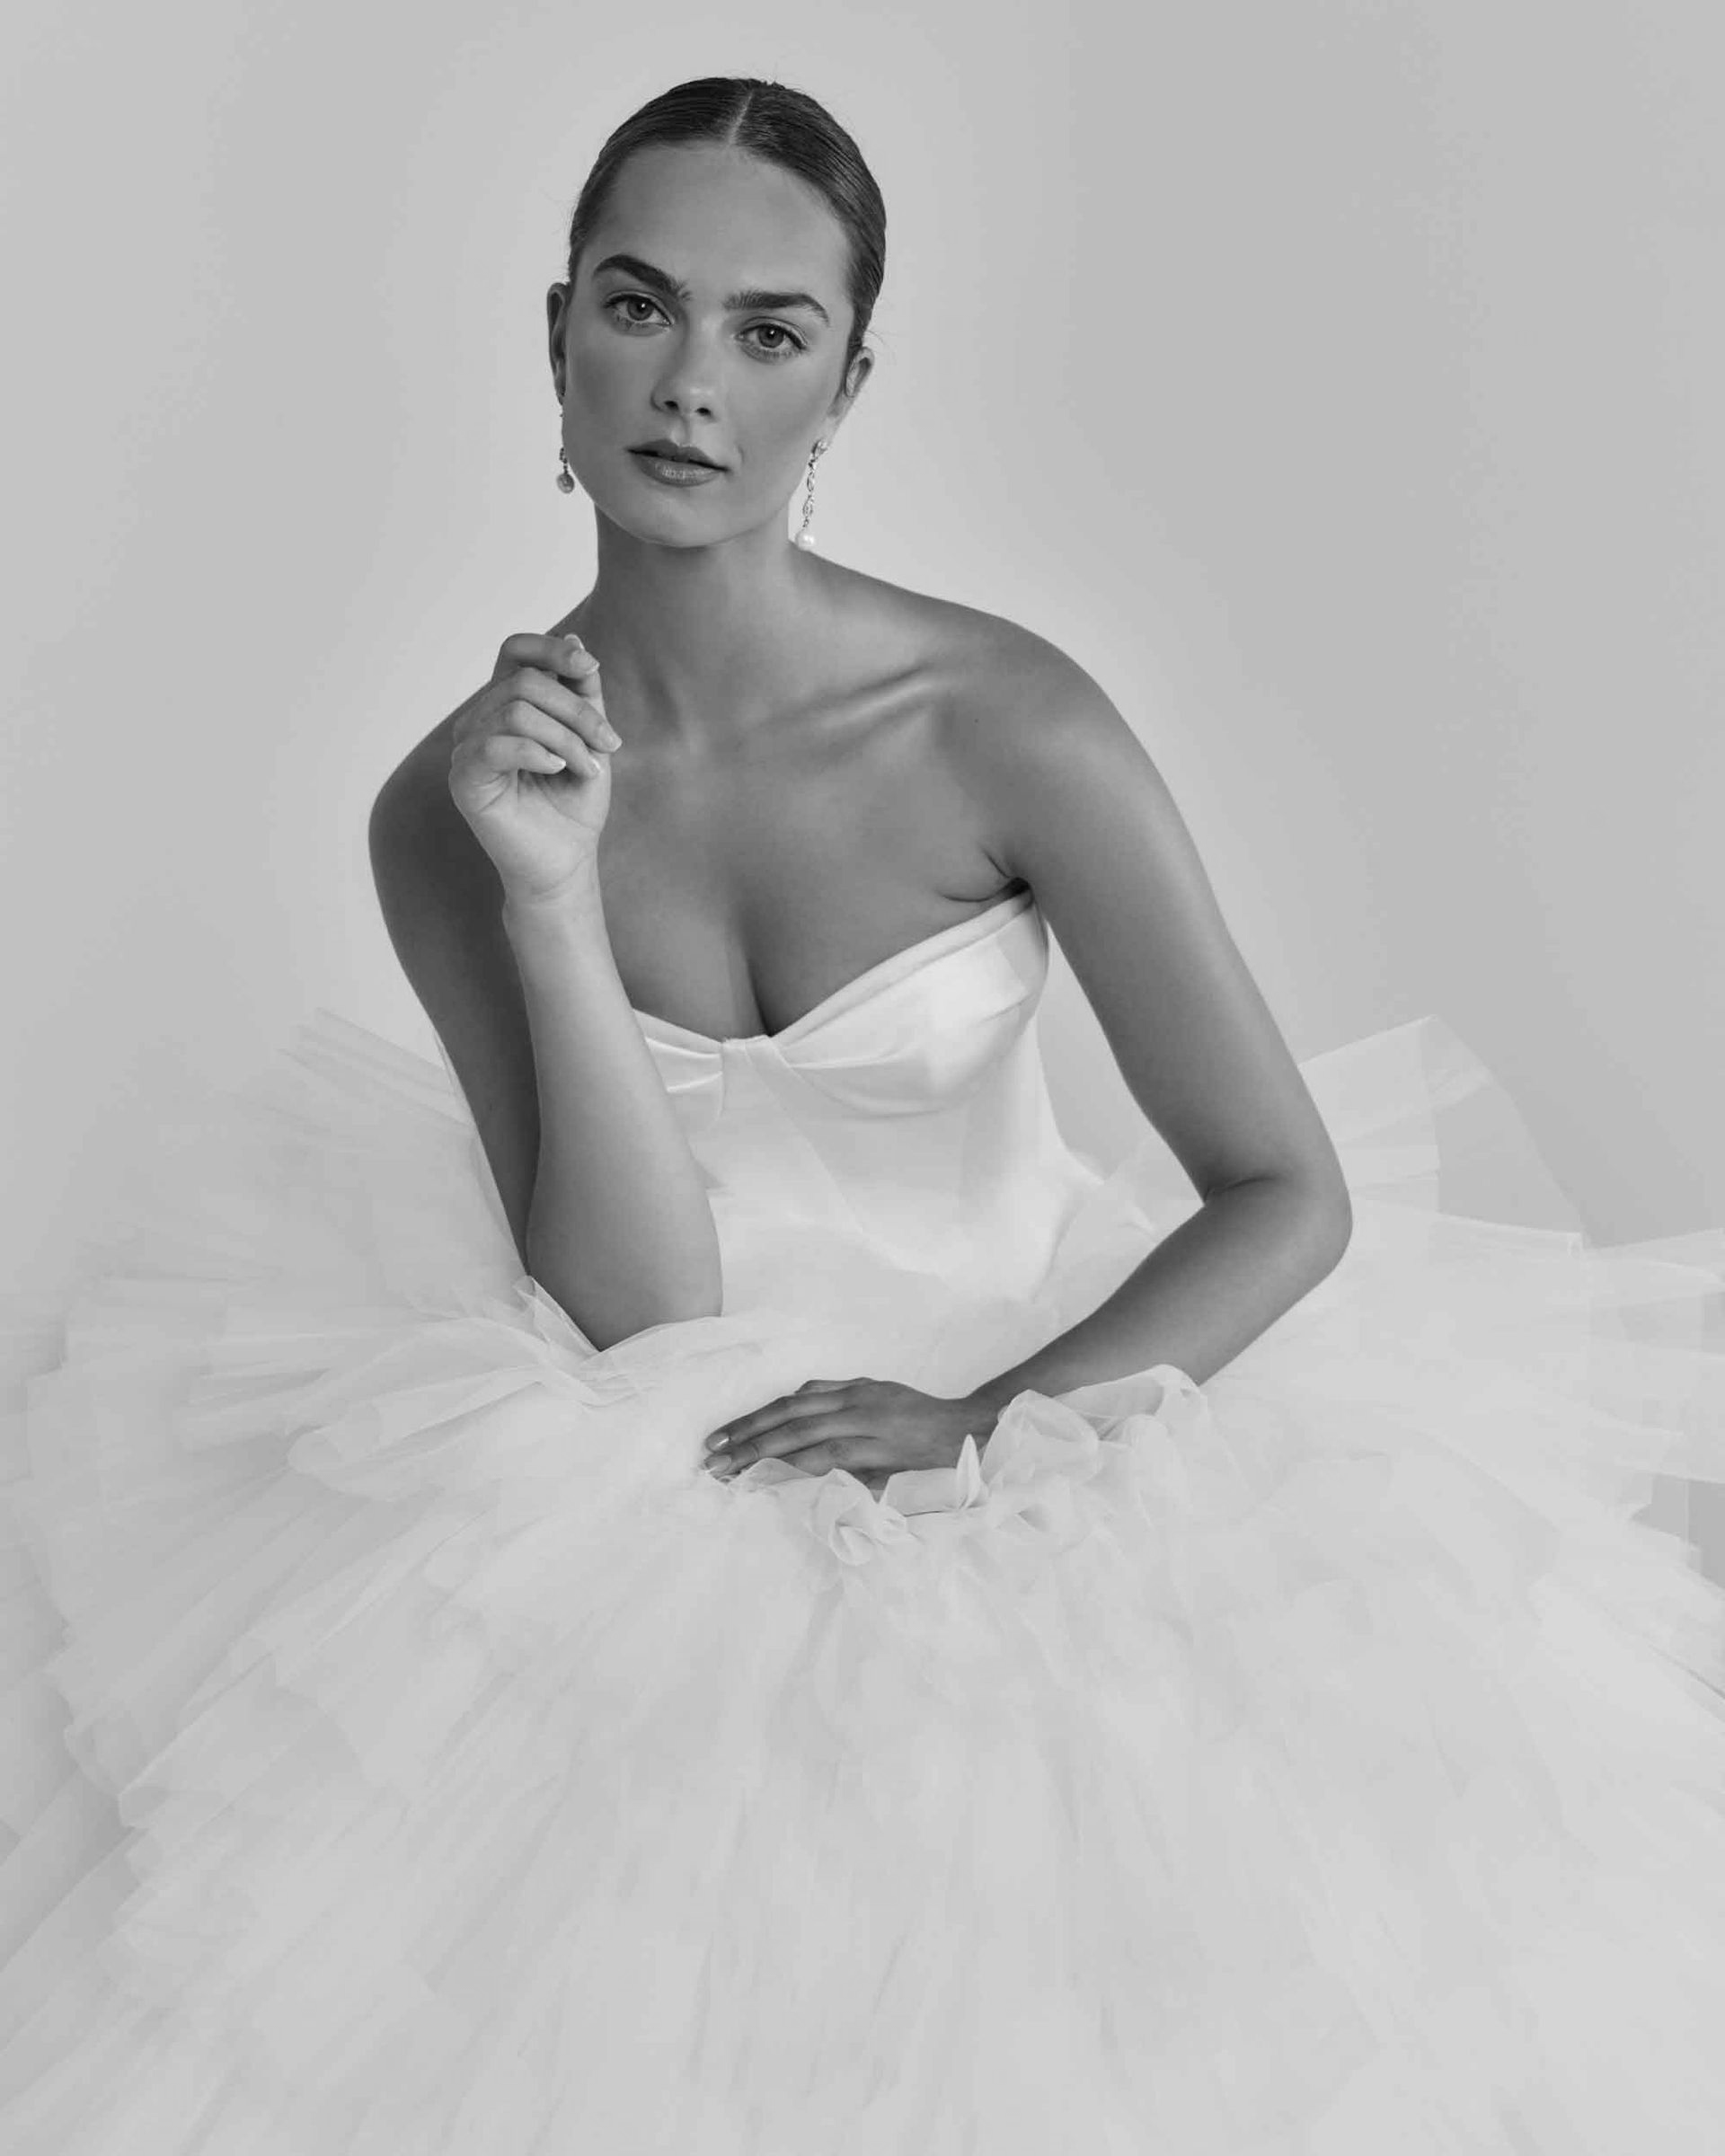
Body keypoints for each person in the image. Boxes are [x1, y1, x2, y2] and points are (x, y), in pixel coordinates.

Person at [2, 72, 1724, 2156]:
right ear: (552, 338)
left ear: (849, 380)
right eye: (638, 310)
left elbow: (1285, 1192)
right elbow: (632, 1320)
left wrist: (992, 1428)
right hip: (655, 1474)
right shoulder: (448, 812)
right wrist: (550, 901)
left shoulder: (1004, 721)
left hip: (1056, 1429)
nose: (693, 386)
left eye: (769, 331)